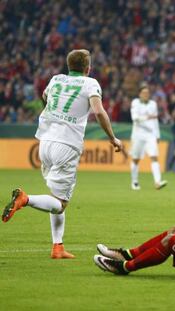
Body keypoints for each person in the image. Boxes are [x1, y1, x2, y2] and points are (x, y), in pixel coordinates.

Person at [2, 49, 123, 258]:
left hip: (45, 141)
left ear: (69, 66)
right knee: (60, 204)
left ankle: (57, 247)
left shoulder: (56, 79)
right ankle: (25, 198)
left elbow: (45, 96)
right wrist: (112, 138)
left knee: (56, 196)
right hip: (67, 145)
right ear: (88, 68)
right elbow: (98, 111)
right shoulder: (90, 83)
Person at [129, 84, 167, 190]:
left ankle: (158, 182)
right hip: (138, 135)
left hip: (150, 135)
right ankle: (135, 182)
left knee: (154, 157)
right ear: (139, 94)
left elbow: (155, 120)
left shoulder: (153, 104)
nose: (146, 95)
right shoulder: (135, 103)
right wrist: (148, 117)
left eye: (147, 93)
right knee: (136, 159)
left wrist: (157, 134)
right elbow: (135, 118)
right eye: (144, 93)